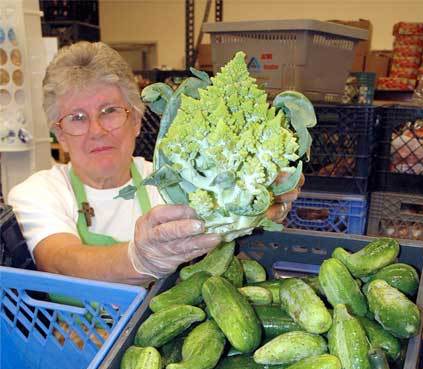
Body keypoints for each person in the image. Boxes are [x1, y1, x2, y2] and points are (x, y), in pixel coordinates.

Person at [7, 42, 302, 285]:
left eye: (109, 111)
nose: (96, 130)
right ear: (60, 134)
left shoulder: (179, 179)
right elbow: (59, 262)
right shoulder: (37, 192)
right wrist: (140, 259)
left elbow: (225, 238)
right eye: (77, 118)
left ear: (136, 120)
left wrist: (266, 203)